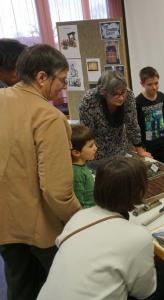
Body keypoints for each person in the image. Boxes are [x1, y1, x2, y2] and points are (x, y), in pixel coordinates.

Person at [0, 44, 81, 300]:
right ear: (42, 77)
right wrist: (80, 219)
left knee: (20, 286)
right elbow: (57, 191)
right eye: (62, 80)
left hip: (5, 224)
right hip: (41, 229)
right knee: (61, 287)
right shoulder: (49, 117)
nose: (63, 88)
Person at [37, 157, 157, 300]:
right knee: (161, 288)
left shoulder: (78, 217)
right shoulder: (139, 237)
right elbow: (144, 292)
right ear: (140, 190)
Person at [79, 70, 151, 166]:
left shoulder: (128, 95)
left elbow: (132, 125)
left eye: (123, 93)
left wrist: (140, 150)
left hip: (120, 149)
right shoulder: (89, 101)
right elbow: (87, 133)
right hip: (96, 154)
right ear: (104, 92)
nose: (121, 98)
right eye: (115, 94)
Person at [135, 66, 164, 163]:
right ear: (142, 84)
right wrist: (140, 146)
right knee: (151, 169)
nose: (154, 87)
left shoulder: (161, 96)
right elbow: (136, 126)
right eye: (150, 84)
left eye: (156, 83)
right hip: (147, 144)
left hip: (162, 141)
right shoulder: (138, 101)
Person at [71, 124, 97, 208]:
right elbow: (79, 203)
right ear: (76, 153)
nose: (95, 148)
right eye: (91, 146)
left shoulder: (82, 165)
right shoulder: (76, 173)